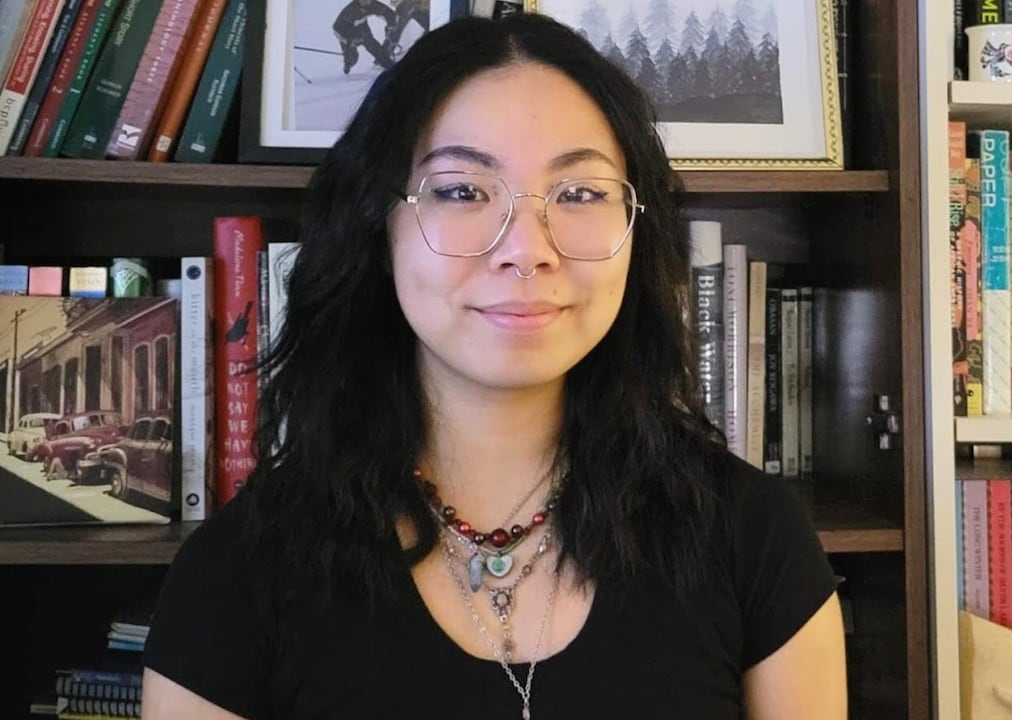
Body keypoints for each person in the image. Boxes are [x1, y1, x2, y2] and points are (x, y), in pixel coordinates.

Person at [141, 13, 846, 720]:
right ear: (377, 227)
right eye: (462, 191)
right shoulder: (233, 576)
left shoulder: (755, 541)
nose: (527, 250)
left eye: (579, 193)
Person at [332, 0, 397, 74]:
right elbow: (336, 29)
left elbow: (389, 13)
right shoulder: (349, 10)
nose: (366, 2)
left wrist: (390, 27)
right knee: (352, 58)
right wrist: (348, 41)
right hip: (347, 34)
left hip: (362, 30)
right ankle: (348, 64)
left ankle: (391, 67)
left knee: (375, 48)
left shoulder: (373, 4)